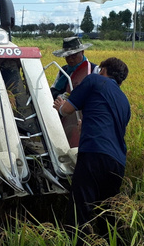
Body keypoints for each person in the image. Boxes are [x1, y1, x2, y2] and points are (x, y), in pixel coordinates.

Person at [53, 57, 130, 230]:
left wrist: (59, 106)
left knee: (80, 206)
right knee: (108, 210)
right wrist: (86, 126)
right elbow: (110, 127)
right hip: (117, 161)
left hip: (94, 153)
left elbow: (67, 110)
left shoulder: (94, 79)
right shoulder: (124, 101)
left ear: (102, 70)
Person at [50, 36, 99, 147]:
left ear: (82, 52)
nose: (70, 59)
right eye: (67, 57)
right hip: (64, 114)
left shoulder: (94, 70)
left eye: (74, 56)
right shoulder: (63, 71)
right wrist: (60, 96)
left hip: (85, 116)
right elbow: (53, 90)